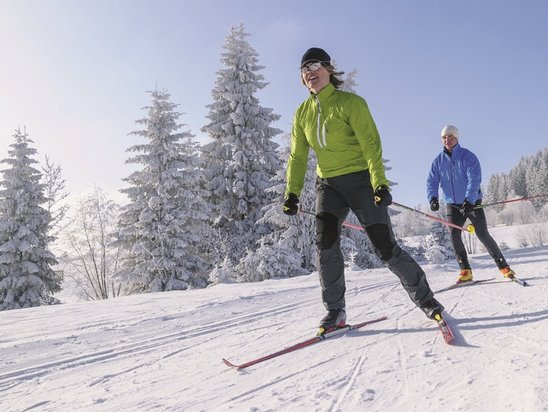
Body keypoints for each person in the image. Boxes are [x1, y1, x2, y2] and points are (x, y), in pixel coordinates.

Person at [283, 47, 443, 334]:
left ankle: (428, 302)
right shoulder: (302, 113)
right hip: (328, 185)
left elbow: (371, 145)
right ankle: (335, 312)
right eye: (304, 68)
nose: (309, 71)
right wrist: (292, 193)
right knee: (325, 245)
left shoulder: (351, 103)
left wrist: (379, 182)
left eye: (315, 65)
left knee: (385, 247)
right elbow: (297, 156)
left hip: (360, 182)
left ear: (329, 70)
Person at [426, 124, 516, 284]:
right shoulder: (438, 161)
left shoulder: (468, 156)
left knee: (482, 234)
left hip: (471, 203)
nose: (447, 139)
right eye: (444, 137)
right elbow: (432, 181)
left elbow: (474, 179)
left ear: (457, 138)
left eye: (451, 136)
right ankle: (465, 271)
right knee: (454, 235)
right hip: (452, 205)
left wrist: (469, 199)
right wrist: (433, 198)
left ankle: (504, 267)